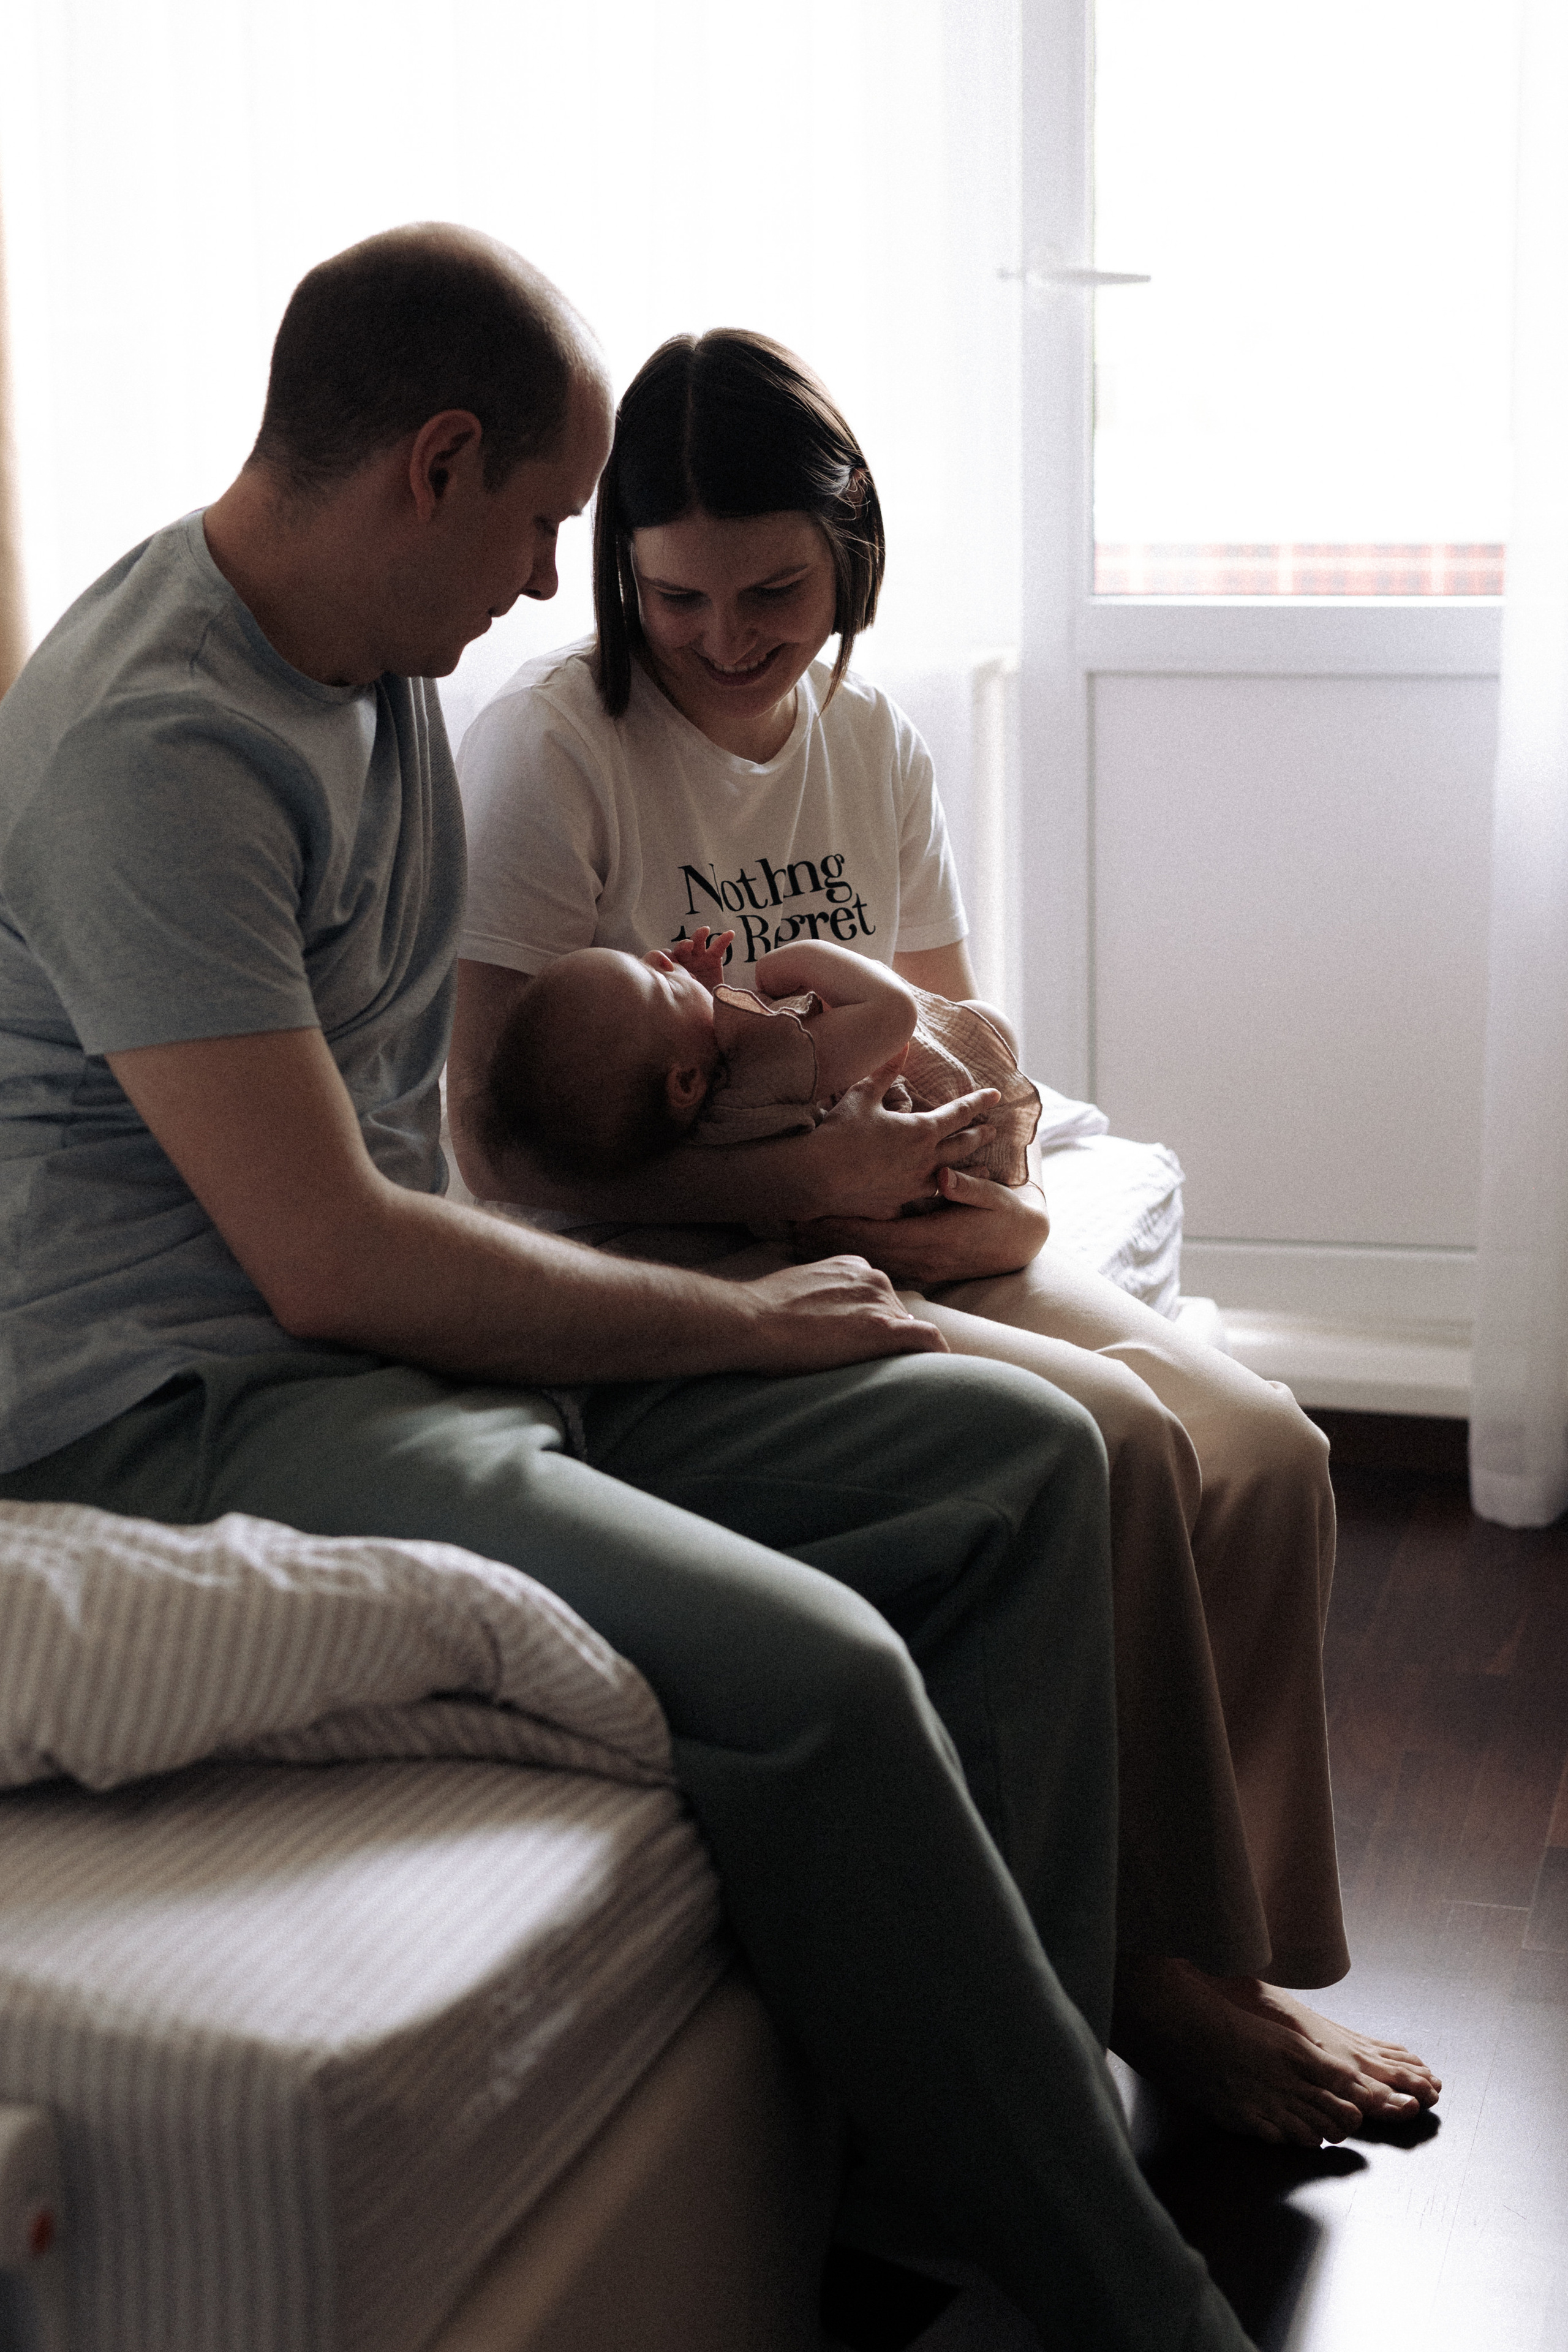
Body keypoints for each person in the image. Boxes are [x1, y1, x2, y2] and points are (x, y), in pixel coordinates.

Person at [0, 223, 1262, 2351]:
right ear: (436, 461)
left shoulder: (362, 676)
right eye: (544, 522)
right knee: (826, 1676)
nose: (542, 581)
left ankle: (969, 2165)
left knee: (1022, 1460)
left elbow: (428, 1162)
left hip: (396, 1339)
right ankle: (1130, 2303)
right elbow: (325, 1259)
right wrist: (744, 1318)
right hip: (196, 1399)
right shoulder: (156, 749)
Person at [450, 325, 1441, 2146]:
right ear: (619, 574)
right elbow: (490, 1147)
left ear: (849, 555)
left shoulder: (871, 738)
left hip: (914, 1206)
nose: (731, 639)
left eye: (773, 590)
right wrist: (781, 1194)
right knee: (1123, 1447)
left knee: (1270, 1454)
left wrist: (987, 1107)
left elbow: (962, 1019)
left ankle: (1239, 1940)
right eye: (677, 597)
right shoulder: (551, 751)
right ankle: (1159, 1982)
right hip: (713, 1255)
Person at [484, 921, 1040, 1184]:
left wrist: (702, 993)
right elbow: (895, 1014)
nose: (656, 956)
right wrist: (789, 963)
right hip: (960, 1131)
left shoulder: (719, 1119)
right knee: (994, 1026)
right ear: (684, 1084)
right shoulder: (766, 1068)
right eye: (655, 982)